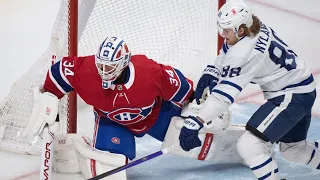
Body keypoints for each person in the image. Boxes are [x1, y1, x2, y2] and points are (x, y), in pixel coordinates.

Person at [178, 0, 319, 179]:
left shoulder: (244, 53)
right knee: (294, 150)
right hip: (301, 88)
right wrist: (214, 69)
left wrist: (196, 121)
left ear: (241, 29)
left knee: (249, 145)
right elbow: (229, 51)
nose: (222, 34)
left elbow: (223, 97)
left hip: (291, 96)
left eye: (227, 30)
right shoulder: (255, 26)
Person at [24, 36, 194, 179]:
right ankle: (80, 149)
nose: (104, 71)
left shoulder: (149, 73)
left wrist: (196, 113)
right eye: (101, 65)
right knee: (110, 169)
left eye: (110, 66)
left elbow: (184, 90)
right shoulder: (86, 71)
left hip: (156, 116)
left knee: (199, 142)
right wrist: (49, 97)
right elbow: (59, 71)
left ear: (124, 62)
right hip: (112, 122)